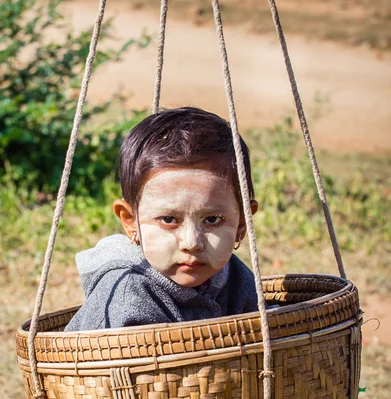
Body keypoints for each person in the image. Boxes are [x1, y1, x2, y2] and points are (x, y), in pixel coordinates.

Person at [65, 106, 260, 332]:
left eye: (213, 220)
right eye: (169, 219)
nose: (192, 243)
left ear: (242, 223)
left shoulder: (234, 277)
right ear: (130, 221)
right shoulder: (129, 294)